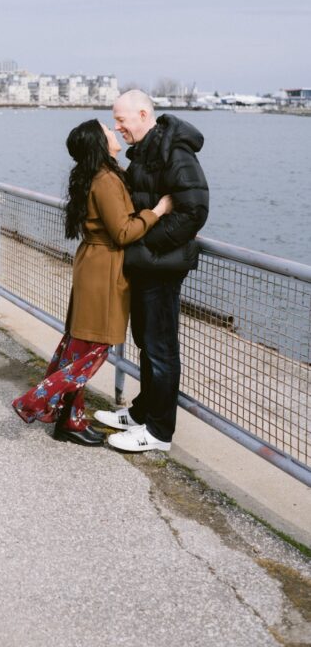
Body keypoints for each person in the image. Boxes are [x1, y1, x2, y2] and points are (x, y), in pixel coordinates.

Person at [12, 118, 172, 446]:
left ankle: (69, 421)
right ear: (100, 143)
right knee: (93, 348)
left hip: (95, 264)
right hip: (104, 270)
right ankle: (35, 400)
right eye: (107, 130)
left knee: (80, 346)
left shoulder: (100, 175)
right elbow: (124, 231)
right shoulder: (106, 180)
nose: (114, 132)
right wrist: (159, 210)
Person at [95, 89, 209, 453]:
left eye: (122, 120)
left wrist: (148, 243)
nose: (117, 126)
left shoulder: (175, 152)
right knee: (146, 342)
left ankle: (159, 432)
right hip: (147, 262)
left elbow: (194, 211)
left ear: (143, 114)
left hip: (162, 265)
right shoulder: (145, 151)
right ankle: (143, 412)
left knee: (160, 348)